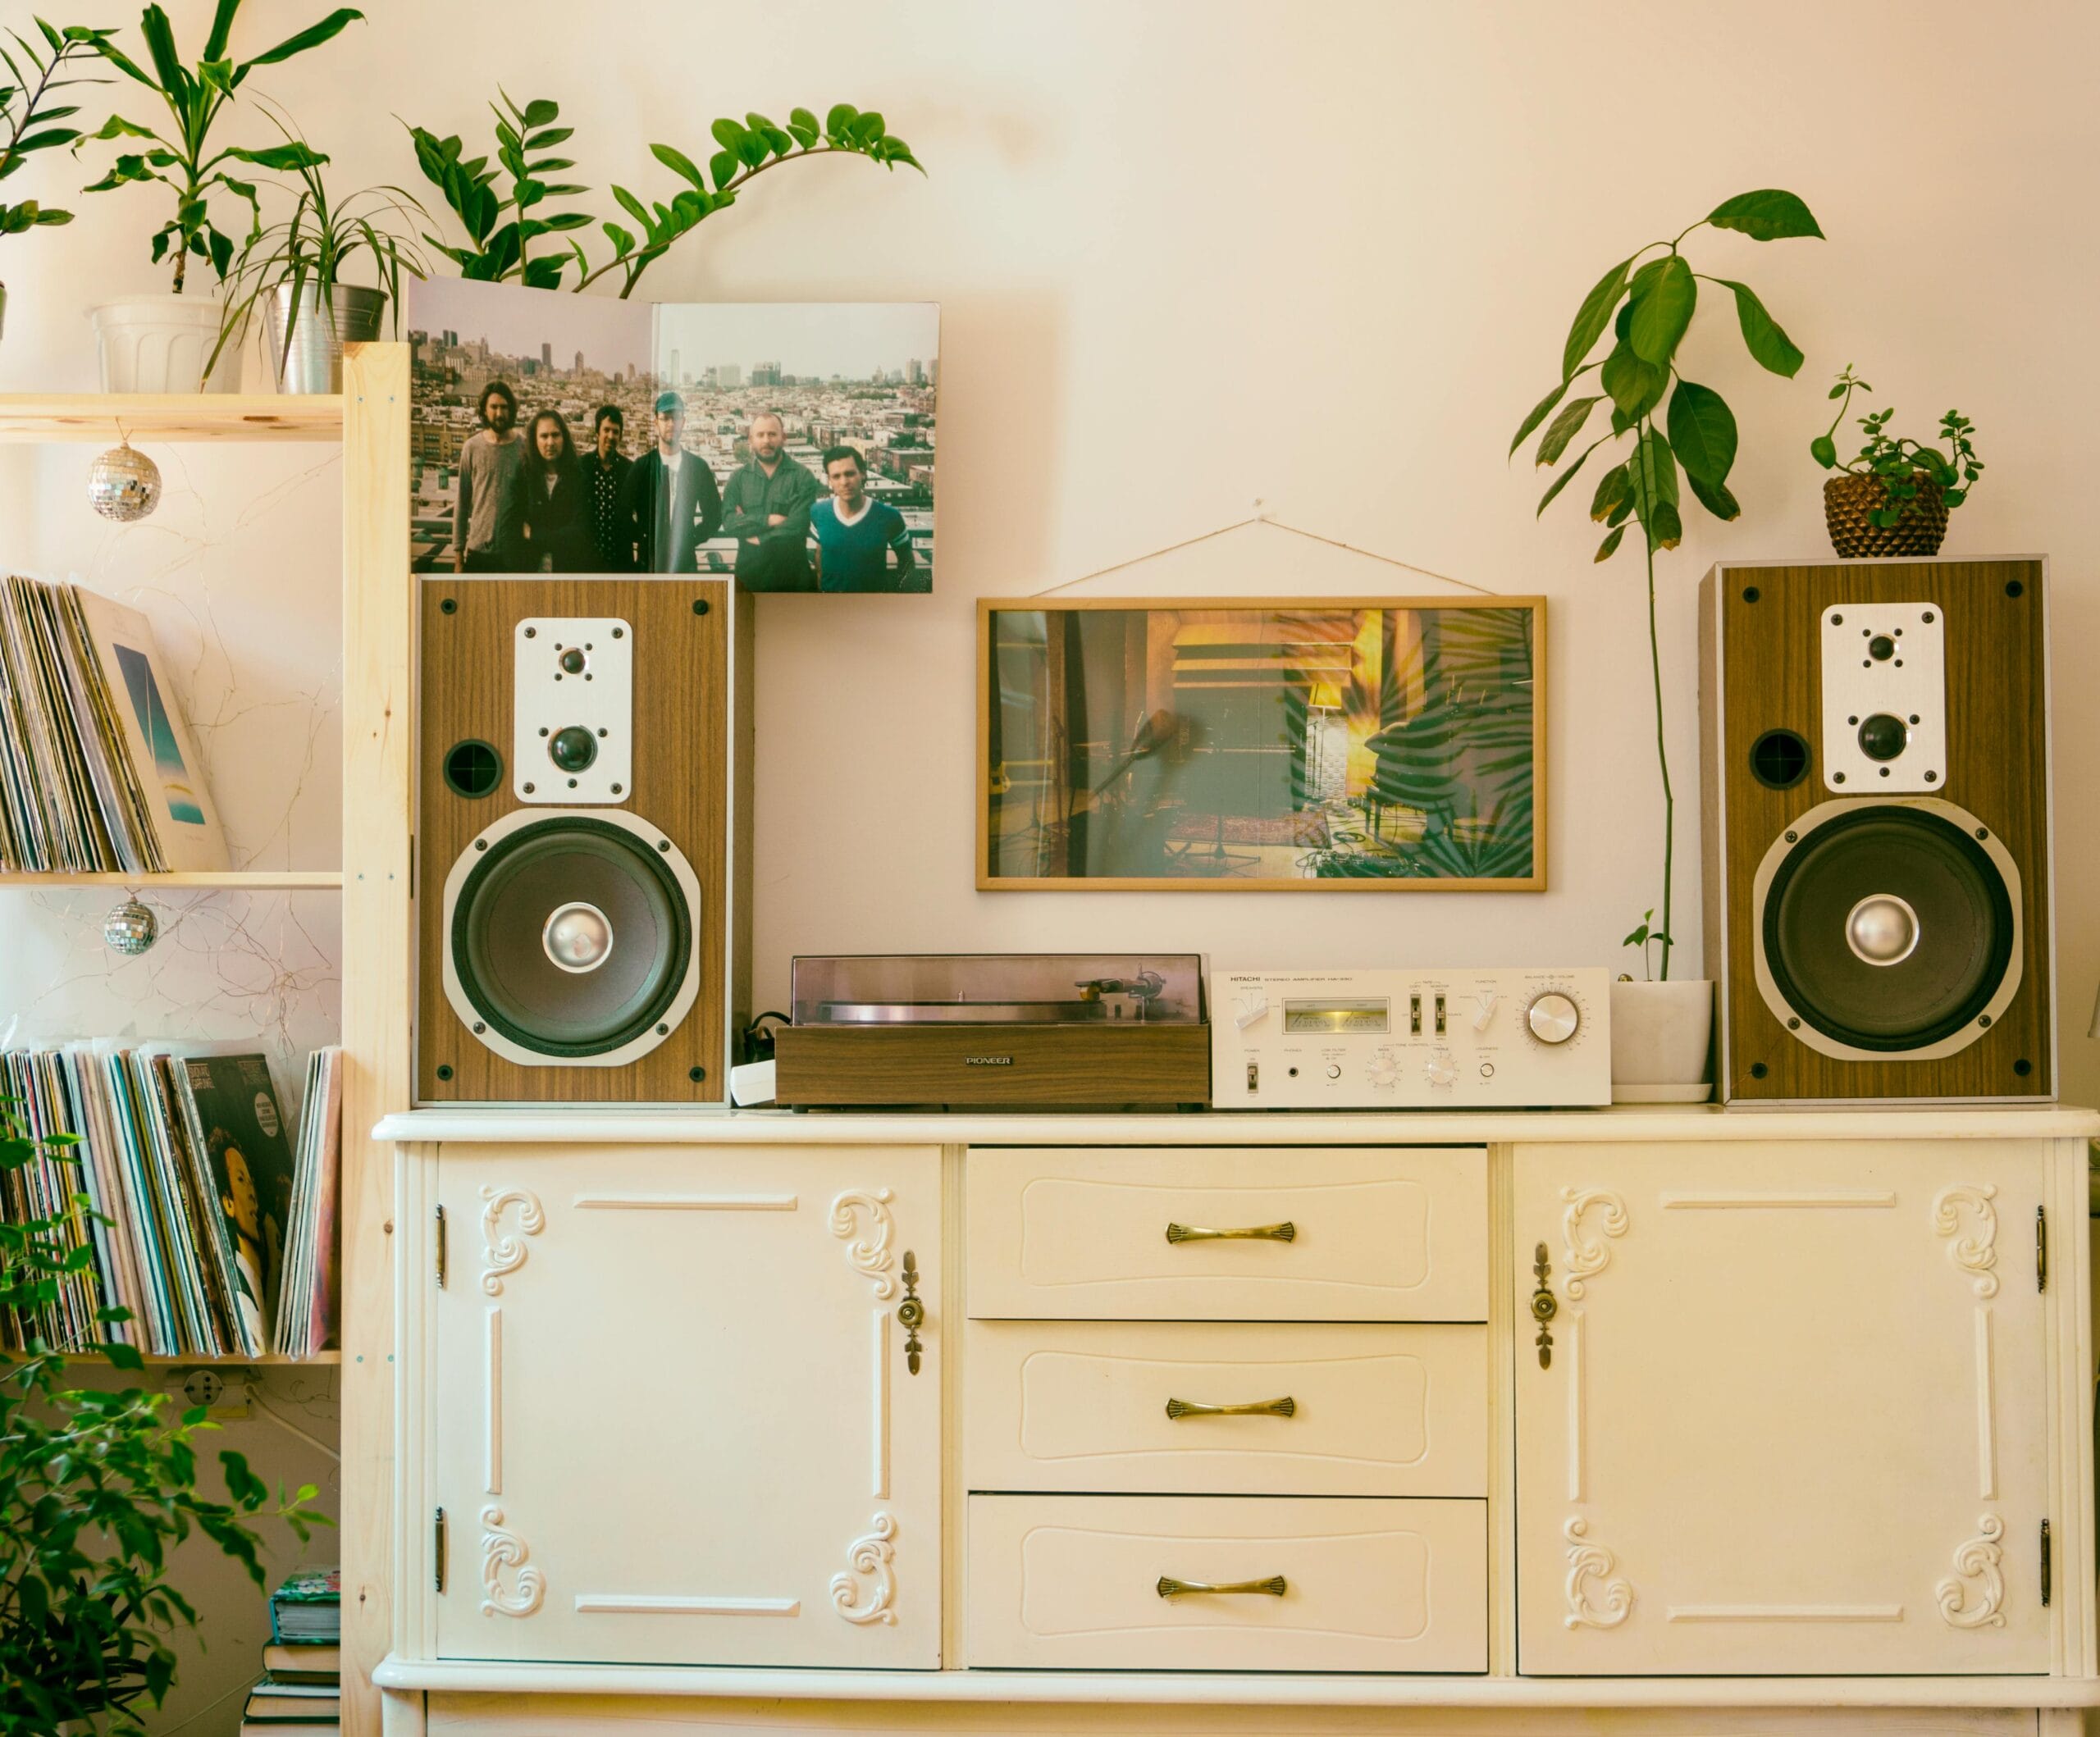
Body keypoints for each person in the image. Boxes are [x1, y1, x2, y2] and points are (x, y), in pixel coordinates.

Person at [621, 389, 723, 573]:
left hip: (685, 563)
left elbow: (714, 515)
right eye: (665, 418)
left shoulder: (698, 467)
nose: (671, 424)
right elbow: (622, 513)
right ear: (656, 422)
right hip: (648, 564)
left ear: (683, 422)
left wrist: (691, 538)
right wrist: (645, 537)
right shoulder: (642, 467)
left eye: (675, 418)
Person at [717, 410, 819, 591]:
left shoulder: (803, 476)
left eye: (772, 434)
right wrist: (770, 520)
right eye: (760, 435)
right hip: (749, 579)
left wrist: (758, 537)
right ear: (750, 439)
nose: (766, 440)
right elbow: (730, 523)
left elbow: (798, 526)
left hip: (793, 579)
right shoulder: (738, 478)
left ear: (784, 437)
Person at [810, 445, 919, 592]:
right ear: (830, 480)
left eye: (850, 474)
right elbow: (820, 553)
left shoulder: (890, 516)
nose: (844, 482)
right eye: (836, 476)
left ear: (862, 473)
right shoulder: (818, 512)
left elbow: (907, 561)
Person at [450, 380, 526, 572]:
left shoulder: (525, 449)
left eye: (504, 407)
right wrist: (458, 558)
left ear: (511, 411)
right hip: (478, 553)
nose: (499, 413)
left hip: (515, 553)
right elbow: (462, 502)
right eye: (493, 407)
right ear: (484, 410)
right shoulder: (472, 448)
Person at [518, 408, 597, 572]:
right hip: (529, 573)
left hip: (567, 572)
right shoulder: (523, 478)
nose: (550, 442)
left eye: (555, 435)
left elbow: (579, 533)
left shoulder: (579, 480)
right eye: (544, 436)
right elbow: (512, 529)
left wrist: (534, 535)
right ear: (534, 440)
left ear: (564, 438)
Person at [578, 404, 634, 570]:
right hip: (587, 561)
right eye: (606, 430)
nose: (611, 436)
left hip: (620, 561)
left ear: (621, 436)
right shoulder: (582, 466)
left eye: (616, 432)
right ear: (597, 433)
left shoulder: (629, 469)